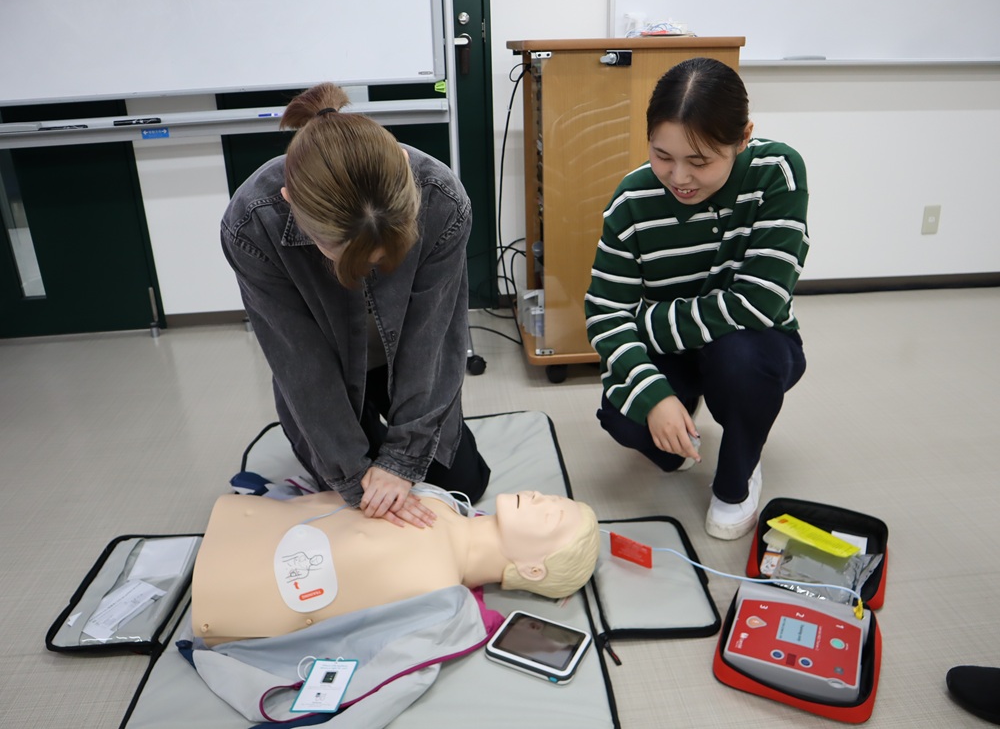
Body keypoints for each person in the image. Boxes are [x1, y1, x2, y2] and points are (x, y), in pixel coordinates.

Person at [221, 83, 490, 530]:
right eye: (342, 253)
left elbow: (433, 339)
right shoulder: (252, 223)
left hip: (409, 358)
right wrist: (353, 473)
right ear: (290, 202)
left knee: (461, 481)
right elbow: (300, 362)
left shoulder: (441, 197)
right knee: (358, 500)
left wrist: (401, 462)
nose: (370, 268)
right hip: (328, 368)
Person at [584, 57, 809, 540]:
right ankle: (684, 416)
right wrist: (655, 396)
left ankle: (739, 473)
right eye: (662, 155)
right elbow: (605, 314)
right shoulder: (631, 201)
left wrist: (647, 323)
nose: (679, 177)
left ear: (743, 138)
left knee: (741, 364)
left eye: (701, 161)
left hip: (753, 342)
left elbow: (760, 301)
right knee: (623, 419)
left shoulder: (777, 172)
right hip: (676, 348)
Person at [191, 489, 600, 645]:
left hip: (221, 593)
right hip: (239, 518)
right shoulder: (442, 503)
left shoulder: (436, 593)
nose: (539, 497)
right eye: (552, 497)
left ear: (532, 570)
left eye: (550, 515)